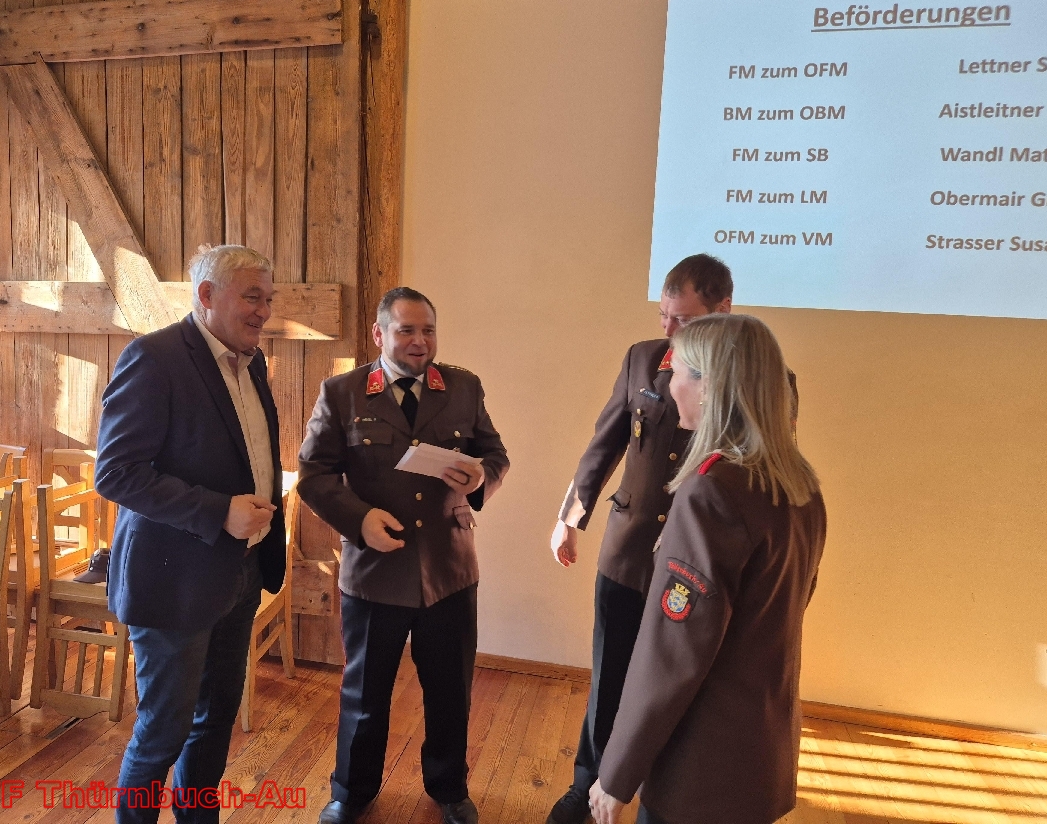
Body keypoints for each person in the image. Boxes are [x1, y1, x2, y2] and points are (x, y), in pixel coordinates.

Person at [588, 314, 826, 824]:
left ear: (710, 384)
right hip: (761, 749)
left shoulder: (712, 491)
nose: (670, 385)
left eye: (678, 371)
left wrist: (616, 773)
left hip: (700, 765)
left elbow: (674, 654)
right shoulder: (798, 483)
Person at [297, 287, 509, 824]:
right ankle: (352, 792)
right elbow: (314, 476)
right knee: (365, 695)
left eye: (428, 330)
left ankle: (449, 788)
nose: (420, 341)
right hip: (375, 571)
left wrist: (480, 477)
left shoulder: (463, 387)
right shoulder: (342, 392)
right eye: (406, 330)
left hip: (449, 568)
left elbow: (494, 454)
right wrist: (359, 520)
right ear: (379, 334)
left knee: (450, 692)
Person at [95, 245, 287, 824]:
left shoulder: (250, 362)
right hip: (172, 581)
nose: (263, 311)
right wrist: (218, 512)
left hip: (240, 571)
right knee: (163, 733)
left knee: (216, 718)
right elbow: (116, 472)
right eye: (251, 297)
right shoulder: (154, 358)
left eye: (268, 299)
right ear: (206, 295)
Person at [546, 254, 733, 824]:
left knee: (683, 683)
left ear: (723, 310)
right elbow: (605, 441)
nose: (670, 330)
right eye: (664, 315)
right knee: (610, 675)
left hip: (697, 562)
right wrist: (570, 516)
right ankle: (589, 783)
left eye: (685, 319)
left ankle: (663, 793)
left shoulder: (752, 377)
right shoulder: (643, 359)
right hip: (627, 552)